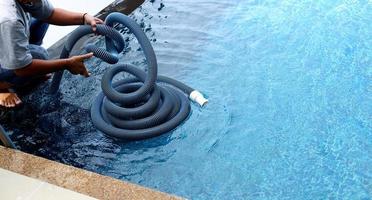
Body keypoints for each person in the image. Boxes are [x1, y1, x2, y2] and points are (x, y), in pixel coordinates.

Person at [0, 0, 103, 107]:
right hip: (6, 33)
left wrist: (84, 17)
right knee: (40, 55)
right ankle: (1, 86)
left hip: (8, 30)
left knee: (41, 20)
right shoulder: (8, 20)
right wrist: (67, 64)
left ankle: (25, 58)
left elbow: (50, 13)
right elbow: (21, 69)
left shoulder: (25, 2)